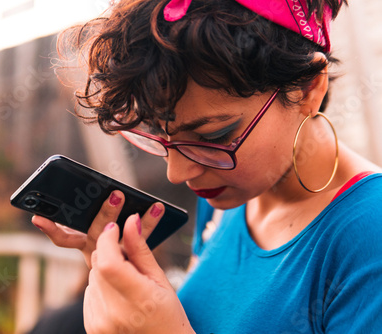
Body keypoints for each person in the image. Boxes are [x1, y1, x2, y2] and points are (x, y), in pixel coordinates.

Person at [32, 0, 382, 332]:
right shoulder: (225, 194)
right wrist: (131, 287)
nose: (178, 173)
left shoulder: (369, 233)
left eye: (214, 135)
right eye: (160, 134)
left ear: (309, 88)